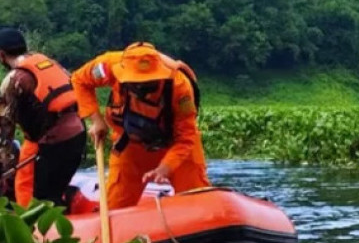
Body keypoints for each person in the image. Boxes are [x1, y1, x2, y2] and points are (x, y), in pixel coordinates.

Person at [71, 42, 210, 209]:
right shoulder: (109, 66)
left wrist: (165, 168)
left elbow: (186, 137)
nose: (142, 88)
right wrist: (96, 119)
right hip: (131, 146)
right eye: (136, 84)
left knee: (196, 204)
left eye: (148, 84)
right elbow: (79, 80)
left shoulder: (179, 86)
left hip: (176, 147)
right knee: (114, 206)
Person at [0, 28, 86, 209]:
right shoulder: (48, 63)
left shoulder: (14, 79)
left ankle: (33, 231)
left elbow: (4, 127)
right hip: (78, 136)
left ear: (2, 55)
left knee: (36, 200)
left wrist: (5, 166)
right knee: (52, 191)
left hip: (52, 144)